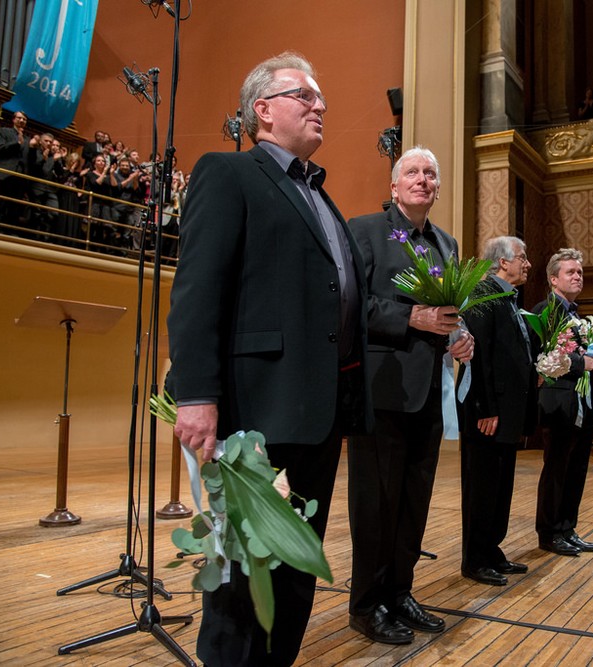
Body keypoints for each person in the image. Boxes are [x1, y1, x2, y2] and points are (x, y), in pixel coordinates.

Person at [167, 51, 371, 667]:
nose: (320, 105)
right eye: (304, 95)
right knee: (243, 579)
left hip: (317, 416)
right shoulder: (228, 173)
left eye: (320, 97)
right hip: (255, 413)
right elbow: (197, 291)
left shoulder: (319, 195)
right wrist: (196, 395)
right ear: (262, 108)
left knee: (294, 572)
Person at [347, 146, 474, 645]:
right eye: (413, 172)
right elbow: (351, 303)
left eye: (430, 174)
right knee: (375, 503)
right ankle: (366, 604)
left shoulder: (447, 243)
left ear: (437, 188)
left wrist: (461, 335)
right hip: (383, 389)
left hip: (430, 394)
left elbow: (451, 311)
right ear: (395, 185)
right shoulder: (365, 231)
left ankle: (400, 593)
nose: (422, 179)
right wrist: (411, 317)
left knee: (414, 501)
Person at [459, 236, 536, 586]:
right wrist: (486, 408)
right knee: (483, 487)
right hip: (488, 413)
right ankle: (475, 559)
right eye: (522, 257)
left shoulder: (507, 297)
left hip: (506, 412)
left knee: (500, 486)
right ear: (503, 262)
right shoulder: (483, 294)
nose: (527, 264)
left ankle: (491, 549)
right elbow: (479, 358)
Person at [532, 248, 593, 557]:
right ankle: (549, 533)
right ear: (553, 279)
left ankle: (567, 528)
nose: (577, 277)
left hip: (581, 403)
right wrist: (580, 362)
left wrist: (591, 402)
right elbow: (542, 359)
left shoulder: (577, 315)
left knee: (577, 468)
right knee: (556, 470)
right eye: (570, 272)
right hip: (557, 403)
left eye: (580, 272)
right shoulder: (545, 312)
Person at [0, 110, 29, 231]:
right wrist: (17, 143)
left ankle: (10, 230)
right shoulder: (4, 131)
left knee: (15, 205)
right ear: (13, 119)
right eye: (19, 118)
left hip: (20, 176)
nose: (22, 120)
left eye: (24, 119)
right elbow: (1, 148)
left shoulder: (27, 139)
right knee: (2, 203)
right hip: (6, 174)